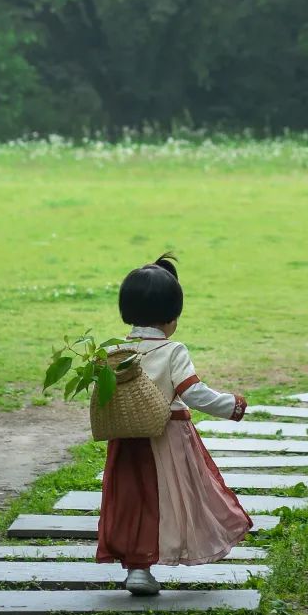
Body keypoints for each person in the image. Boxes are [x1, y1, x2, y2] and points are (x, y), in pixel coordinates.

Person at [96, 255, 252, 595]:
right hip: (167, 442)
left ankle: (138, 566)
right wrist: (232, 406)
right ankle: (166, 551)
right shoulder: (172, 350)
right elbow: (193, 393)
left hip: (126, 442)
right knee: (171, 500)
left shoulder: (115, 351)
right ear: (172, 316)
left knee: (134, 501)